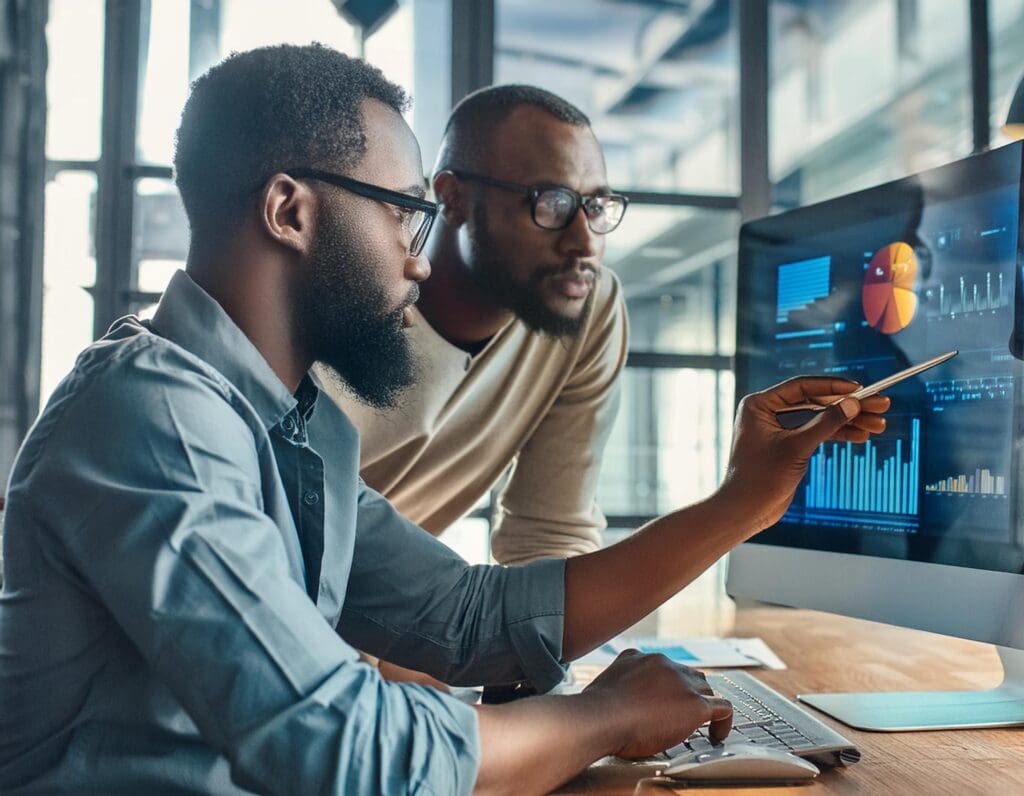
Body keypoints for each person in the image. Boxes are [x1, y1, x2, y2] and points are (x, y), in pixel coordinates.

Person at [0, 45, 889, 795]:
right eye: (402, 213)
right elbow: (340, 749)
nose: (419, 261)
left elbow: (467, 619)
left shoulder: (284, 426)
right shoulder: (157, 416)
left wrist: (745, 502)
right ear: (288, 210)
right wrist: (601, 716)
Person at [322, 84, 628, 565]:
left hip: (385, 619)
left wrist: (564, 639)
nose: (584, 243)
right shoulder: (346, 306)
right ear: (452, 198)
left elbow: (549, 537)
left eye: (595, 206)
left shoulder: (589, 307)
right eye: (552, 203)